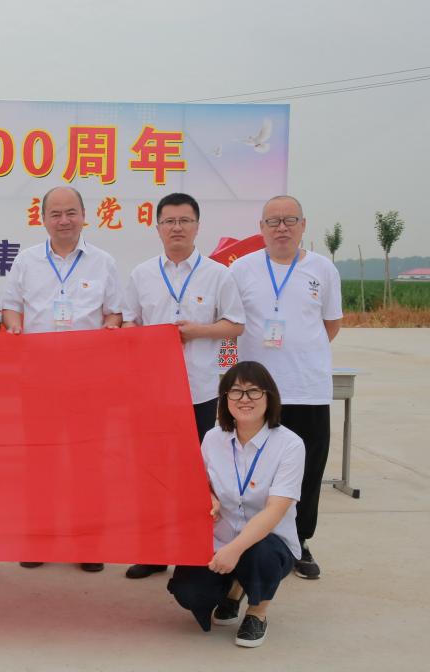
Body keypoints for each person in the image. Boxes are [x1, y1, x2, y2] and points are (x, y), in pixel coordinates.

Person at [122, 192, 245, 579]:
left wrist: (197, 332)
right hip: (154, 395)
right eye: (169, 221)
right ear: (157, 227)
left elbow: (235, 324)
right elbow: (129, 324)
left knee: (201, 474)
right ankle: (155, 552)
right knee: (154, 473)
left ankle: (195, 549)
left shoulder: (218, 274)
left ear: (197, 226)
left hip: (201, 391)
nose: (177, 228)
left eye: (184, 221)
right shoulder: (141, 274)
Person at [0, 185, 122, 572]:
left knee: (89, 462)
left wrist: (111, 328)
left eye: (71, 213)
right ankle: (39, 539)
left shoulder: (103, 262)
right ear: (43, 219)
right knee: (40, 461)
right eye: (55, 214)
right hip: (38, 380)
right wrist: (15, 328)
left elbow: (115, 312)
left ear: (84, 216)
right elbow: (10, 307)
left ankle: (87, 544)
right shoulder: (26, 261)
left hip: (89, 381)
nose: (64, 220)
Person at [230, 195, 342, 579]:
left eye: (290, 220)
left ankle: (300, 540)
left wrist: (301, 350)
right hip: (256, 394)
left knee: (307, 471)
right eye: (273, 221)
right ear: (261, 228)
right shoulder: (241, 269)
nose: (282, 227)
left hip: (307, 388)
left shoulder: (322, 269)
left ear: (303, 225)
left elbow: (330, 324)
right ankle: (253, 539)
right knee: (255, 470)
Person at [167, 361, 303, 648]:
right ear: (225, 398)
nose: (244, 399)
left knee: (260, 556)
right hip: (222, 537)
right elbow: (200, 484)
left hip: (268, 542)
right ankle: (234, 590)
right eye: (236, 392)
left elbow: (276, 509)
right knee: (189, 591)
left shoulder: (290, 445)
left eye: (253, 391)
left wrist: (233, 550)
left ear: (269, 397)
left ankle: (257, 612)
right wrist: (210, 497)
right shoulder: (213, 438)